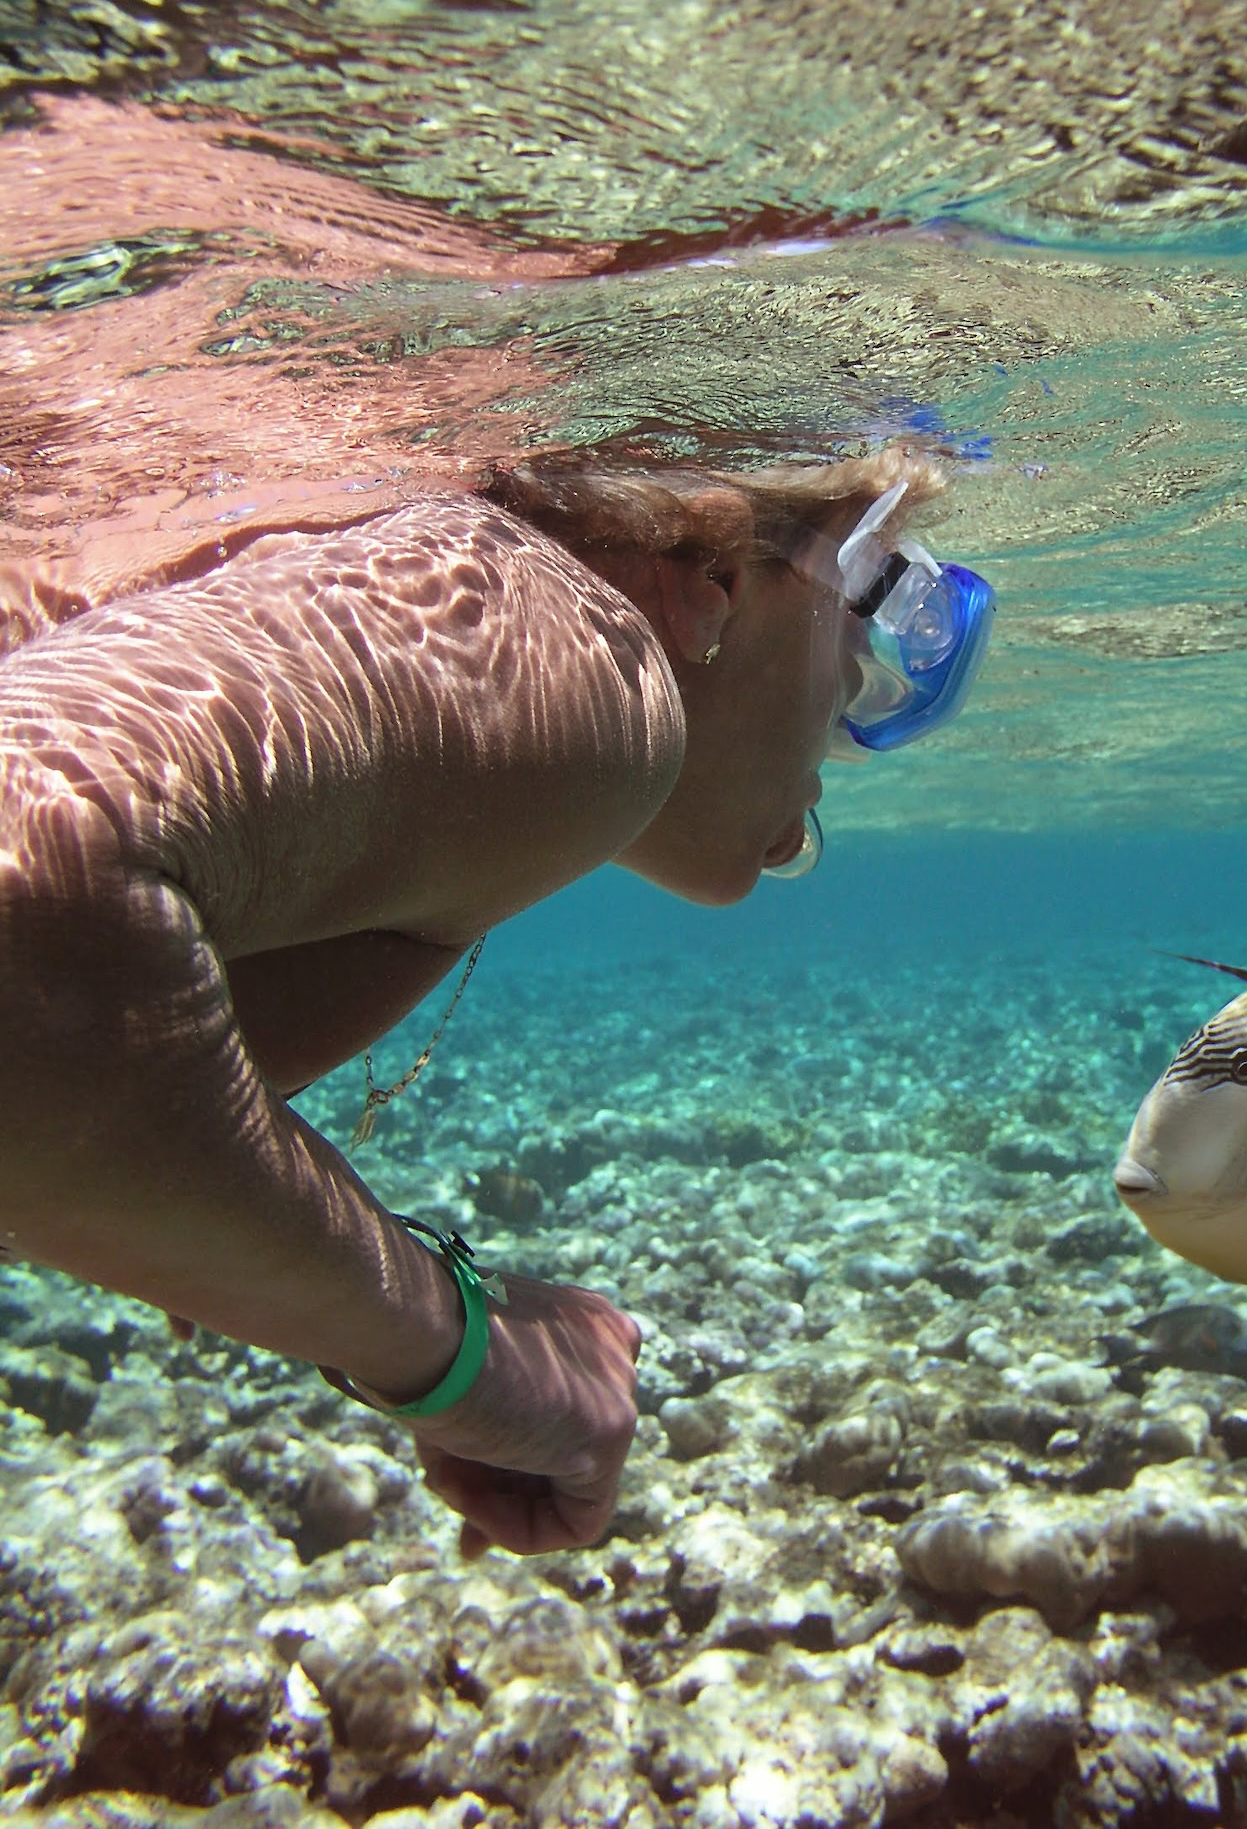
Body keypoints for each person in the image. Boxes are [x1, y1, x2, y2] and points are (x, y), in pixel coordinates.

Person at [0, 442, 994, 1556]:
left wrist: (241, 1245)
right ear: (706, 572)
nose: (860, 722)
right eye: (868, 623)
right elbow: (26, 877)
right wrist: (464, 1351)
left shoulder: (470, 692)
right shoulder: (589, 667)